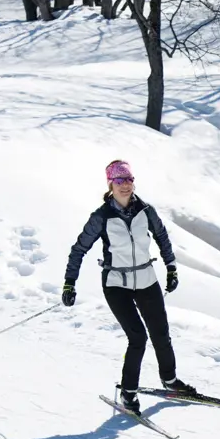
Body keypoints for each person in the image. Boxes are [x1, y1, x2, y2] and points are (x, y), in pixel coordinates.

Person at [62, 160, 197, 415]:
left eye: (129, 180)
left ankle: (170, 381)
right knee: (138, 338)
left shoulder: (145, 210)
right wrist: (70, 283)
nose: (126, 185)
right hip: (117, 285)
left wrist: (171, 267)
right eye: (120, 181)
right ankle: (128, 393)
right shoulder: (101, 217)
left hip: (146, 278)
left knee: (161, 334)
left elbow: (162, 237)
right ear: (110, 184)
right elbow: (78, 250)